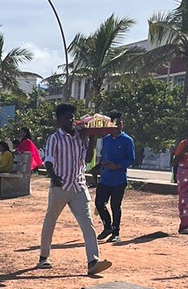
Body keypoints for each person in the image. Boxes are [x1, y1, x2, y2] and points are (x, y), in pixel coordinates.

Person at [37, 103, 112, 276]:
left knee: (88, 224)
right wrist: (53, 176)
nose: (70, 120)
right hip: (60, 186)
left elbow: (87, 159)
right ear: (59, 120)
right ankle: (43, 257)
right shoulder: (54, 138)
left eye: (72, 117)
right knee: (50, 220)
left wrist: (92, 137)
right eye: (66, 117)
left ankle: (93, 261)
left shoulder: (80, 137)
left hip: (79, 185)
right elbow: (48, 160)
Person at [94, 112, 135, 244]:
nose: (117, 126)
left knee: (115, 206)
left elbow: (131, 159)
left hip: (119, 180)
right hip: (105, 179)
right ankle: (107, 227)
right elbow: (103, 156)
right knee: (99, 203)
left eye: (120, 123)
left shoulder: (127, 140)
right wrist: (99, 166)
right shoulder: (105, 139)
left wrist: (117, 166)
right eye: (115, 123)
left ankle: (116, 232)